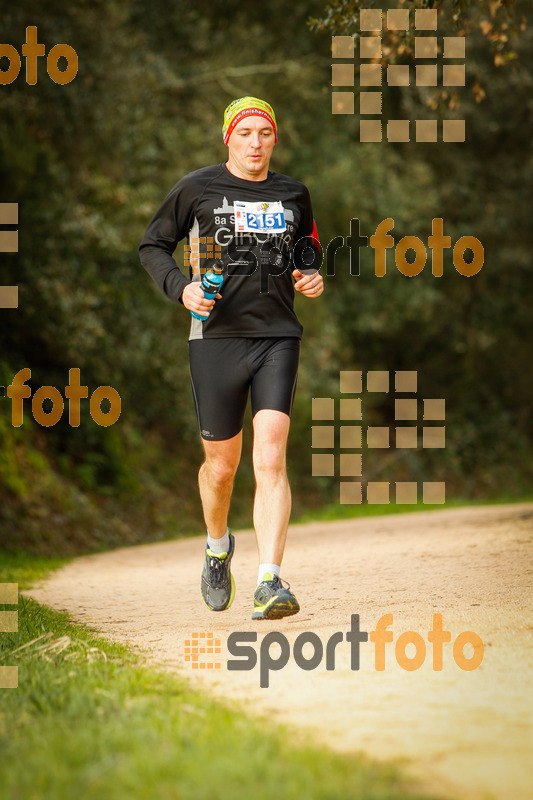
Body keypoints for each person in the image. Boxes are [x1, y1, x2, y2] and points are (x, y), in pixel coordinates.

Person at [139, 96, 323, 620]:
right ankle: (217, 547)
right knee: (221, 468)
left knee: (270, 457)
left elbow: (307, 246)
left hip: (277, 337)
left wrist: (311, 274)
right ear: (229, 139)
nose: (255, 144)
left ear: (275, 140)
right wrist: (182, 290)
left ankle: (270, 581)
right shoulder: (197, 187)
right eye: (245, 134)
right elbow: (152, 246)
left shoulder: (294, 193)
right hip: (215, 338)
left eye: (264, 134)